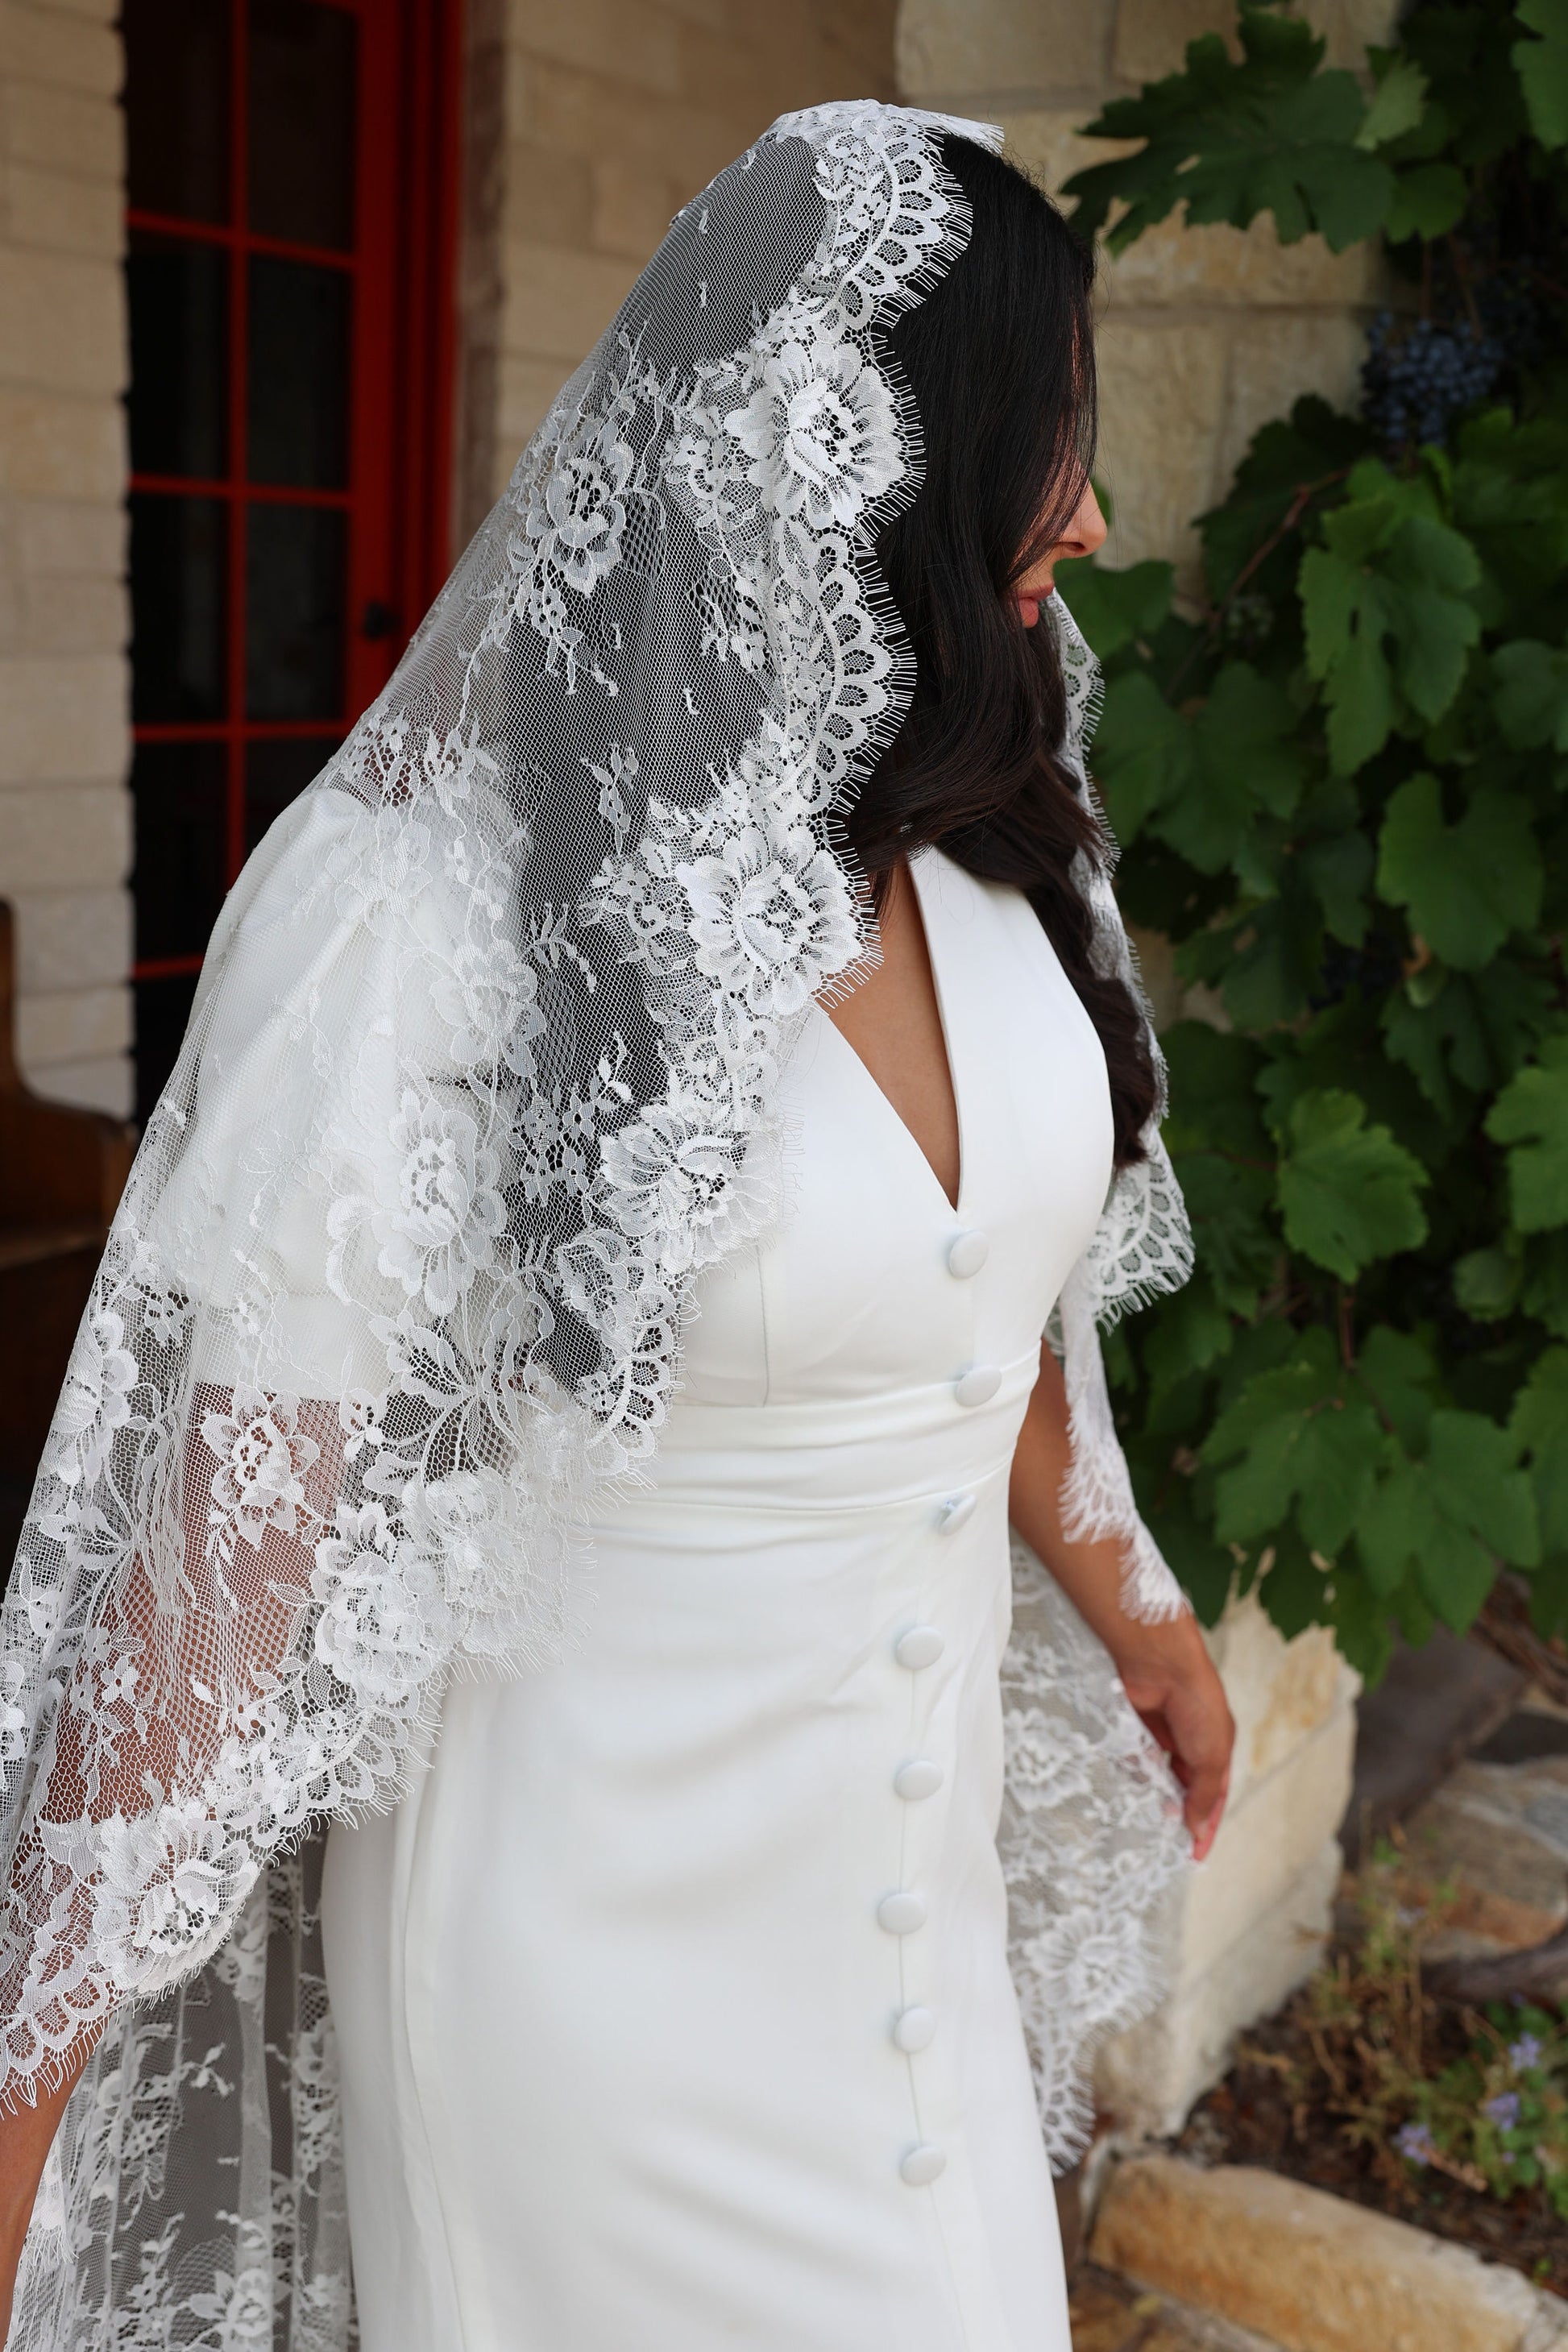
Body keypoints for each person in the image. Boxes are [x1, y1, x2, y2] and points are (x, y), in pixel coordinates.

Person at [0, 102, 1231, 2350]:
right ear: (850, 453)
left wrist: (1131, 1602)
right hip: (572, 2000)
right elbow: (210, 1605)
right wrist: (10, 2113)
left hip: (900, 1942)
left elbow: (990, 1318)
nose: (1087, 507)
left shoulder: (978, 836)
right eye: (1041, 430)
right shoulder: (427, 921)